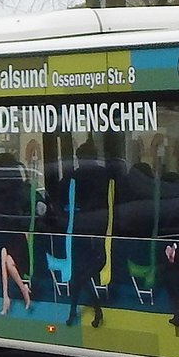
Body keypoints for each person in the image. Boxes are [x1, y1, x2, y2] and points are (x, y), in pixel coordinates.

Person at [63, 140, 112, 328]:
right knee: (79, 276)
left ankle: (79, 312)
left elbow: (62, 198)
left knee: (80, 277)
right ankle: (84, 311)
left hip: (88, 236)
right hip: (89, 235)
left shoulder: (76, 176)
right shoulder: (103, 174)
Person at [0, 153, 32, 317]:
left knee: (3, 253)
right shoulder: (19, 188)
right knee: (5, 255)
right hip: (16, 240)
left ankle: (7, 297)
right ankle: (18, 291)